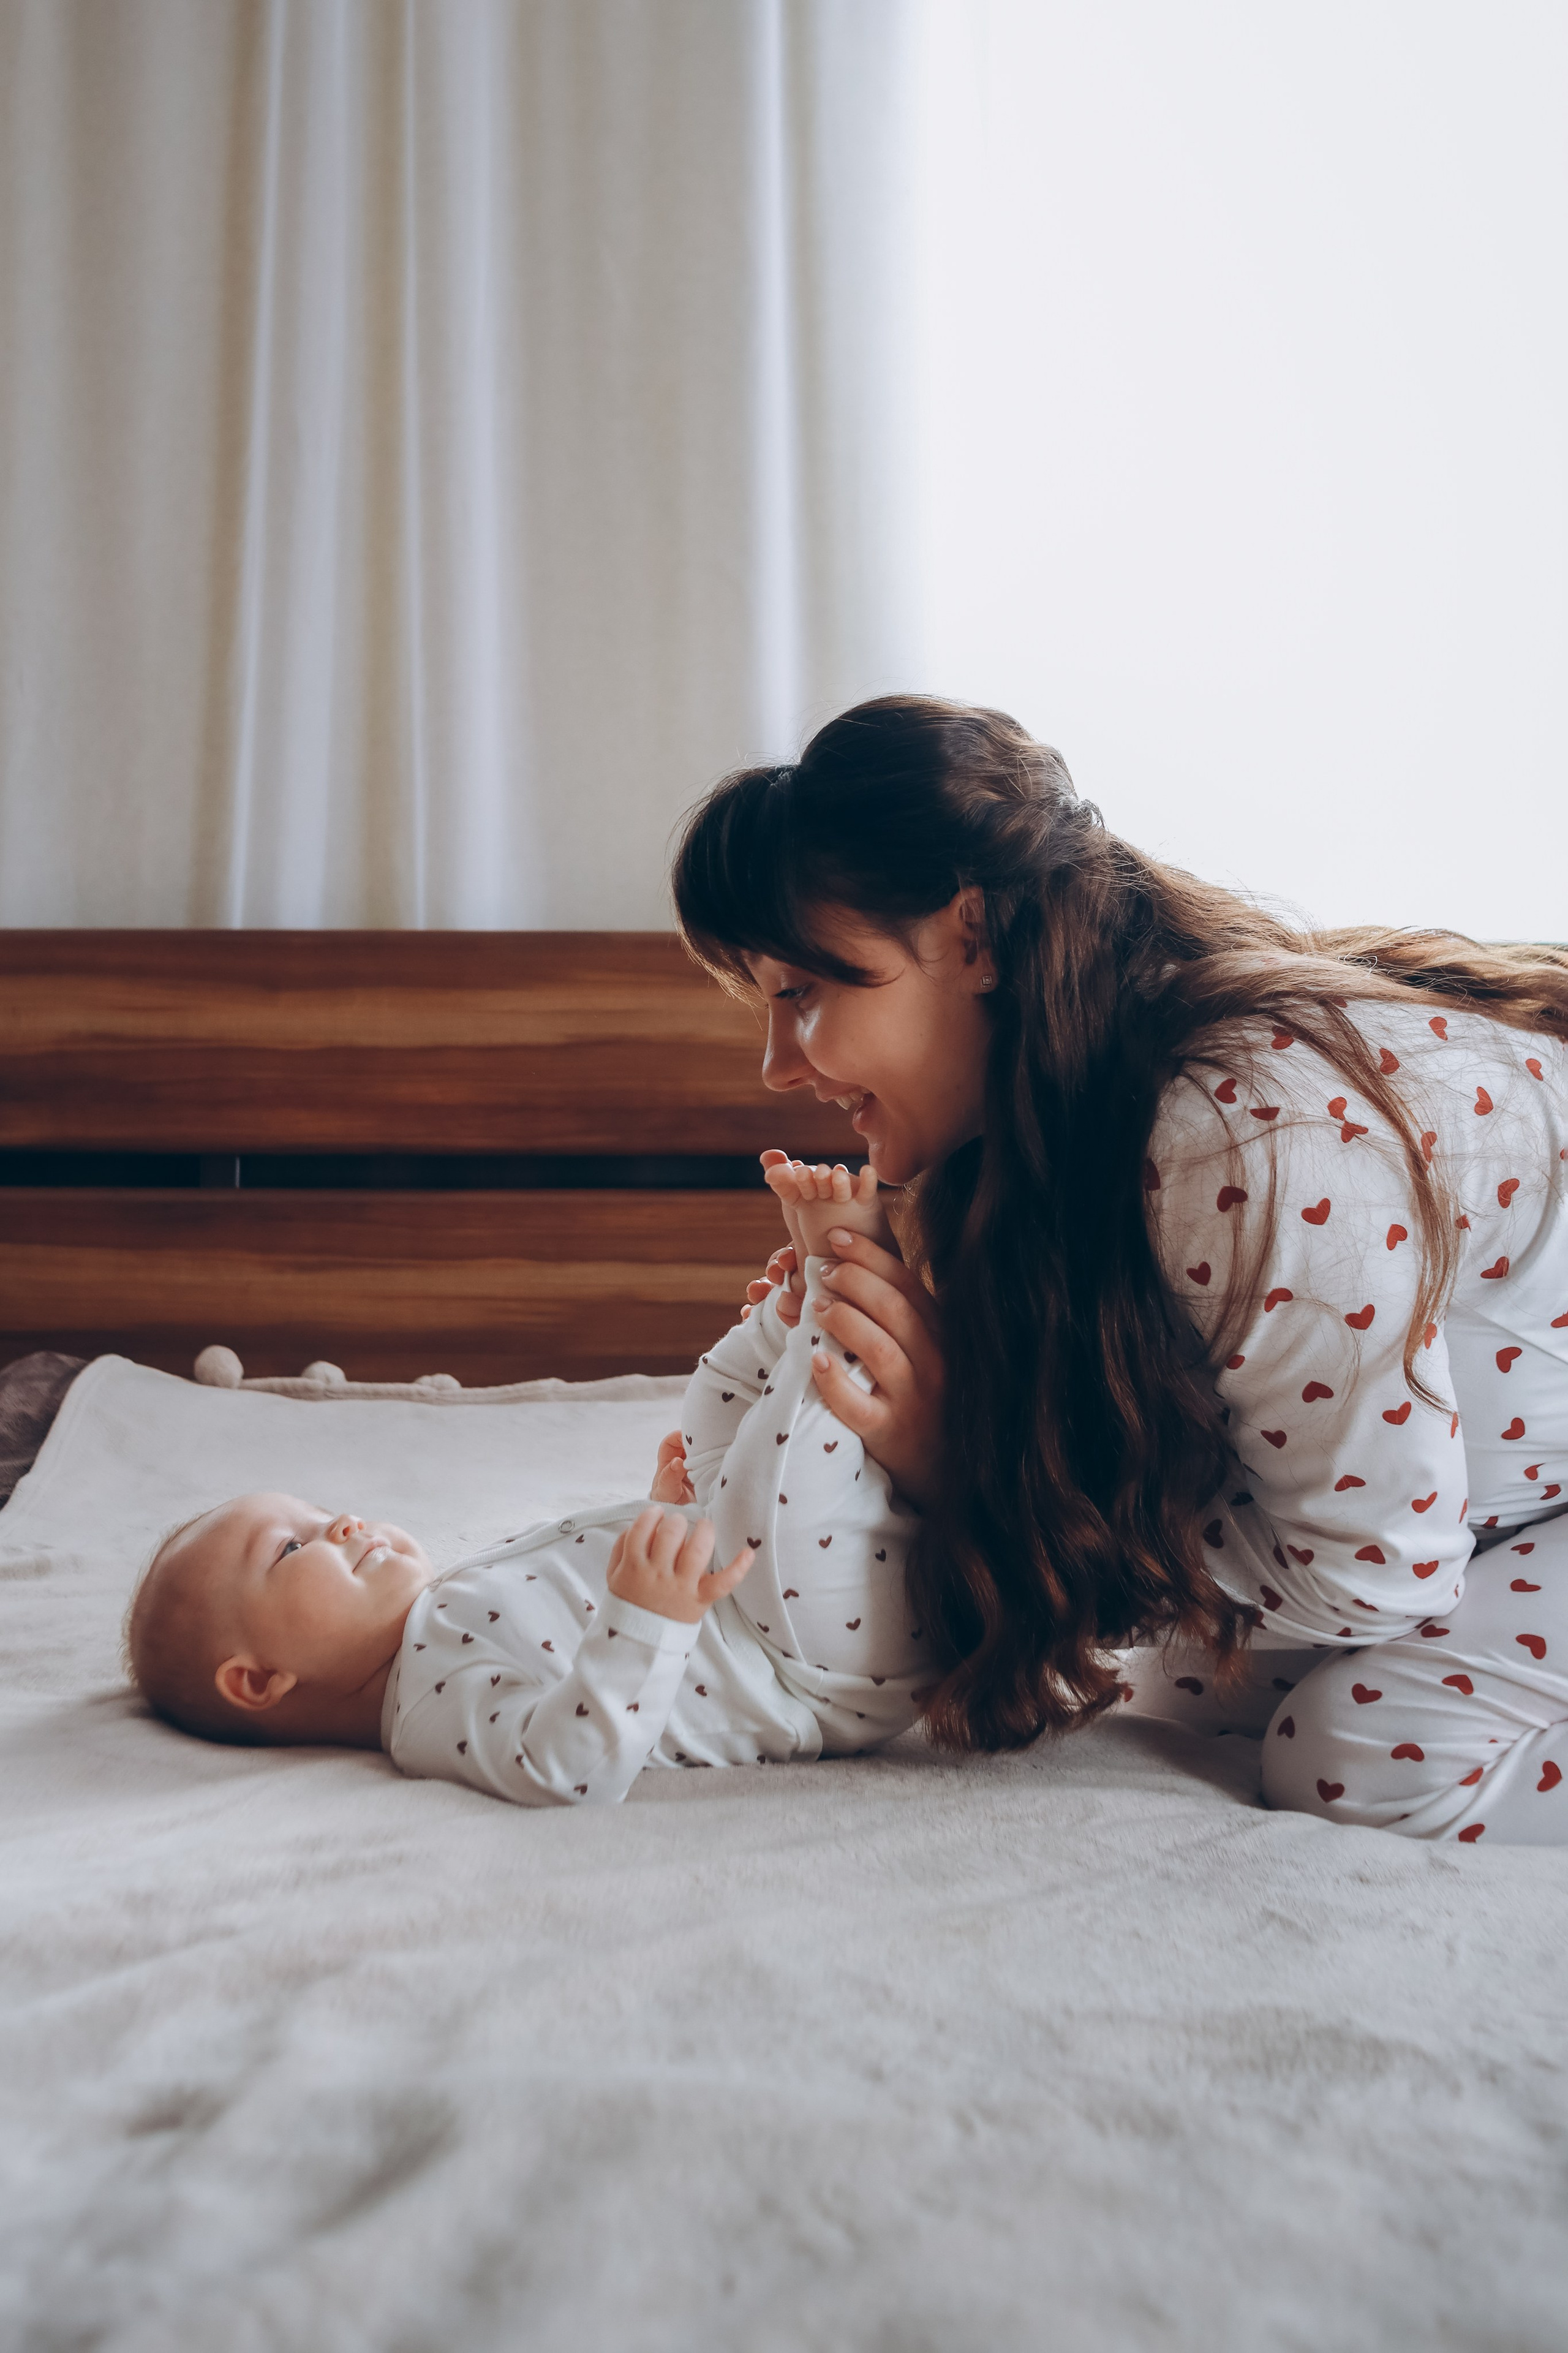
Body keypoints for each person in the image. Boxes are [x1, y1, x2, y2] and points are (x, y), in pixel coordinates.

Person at [672, 693, 1568, 1844]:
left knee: (1357, 1761)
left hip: (1456, 1531)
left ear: (973, 938)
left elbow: (1379, 1574)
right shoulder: (1040, 1142)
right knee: (1183, 1687)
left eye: (805, 992)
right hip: (1495, 1503)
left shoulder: (1234, 1137)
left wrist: (971, 1461)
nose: (776, 1064)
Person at [124, 1159, 929, 1805]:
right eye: (290, 1546)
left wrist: (663, 1519)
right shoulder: (426, 1715)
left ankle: (786, 1317)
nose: (342, 1523)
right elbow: (567, 1764)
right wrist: (648, 1616)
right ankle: (847, 1282)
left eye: (322, 1510)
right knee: (764, 1501)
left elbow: (592, 1623)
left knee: (707, 1415)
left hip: (753, 1609)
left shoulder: (440, 1613)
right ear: (259, 1679)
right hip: (807, 1669)